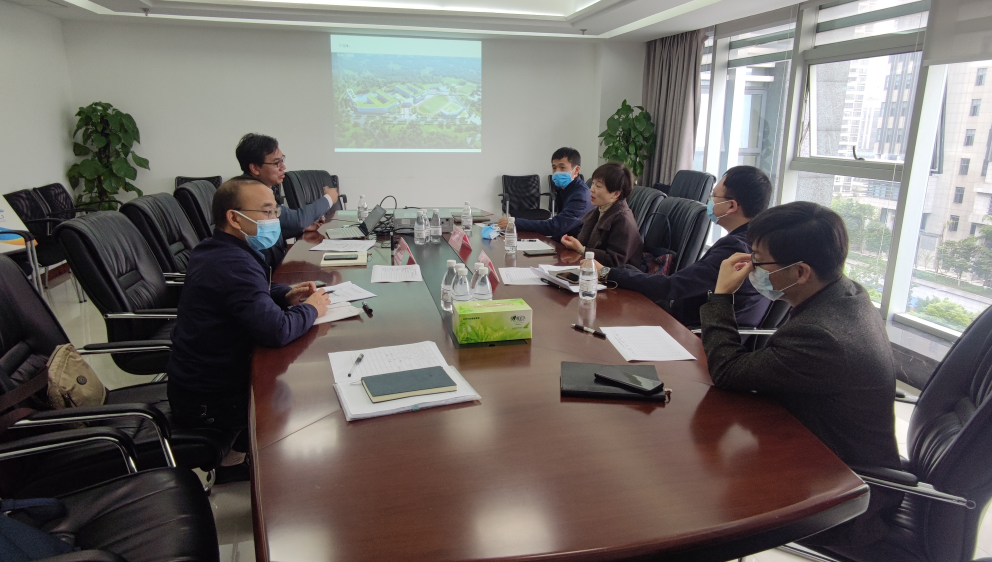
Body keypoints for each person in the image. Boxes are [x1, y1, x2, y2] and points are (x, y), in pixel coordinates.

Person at [700, 201, 903, 547]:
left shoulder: (822, 335)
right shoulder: (846, 293)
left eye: (759, 261)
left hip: (843, 487)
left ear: (800, 272)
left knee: (700, 484)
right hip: (818, 444)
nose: (751, 268)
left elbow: (728, 372)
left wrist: (721, 297)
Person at [167, 177, 331, 482]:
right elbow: (277, 330)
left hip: (200, 382)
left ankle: (237, 456)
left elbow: (250, 292)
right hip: (210, 400)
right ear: (234, 218)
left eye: (275, 211)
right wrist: (313, 308)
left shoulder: (217, 248)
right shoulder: (233, 262)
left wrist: (285, 294)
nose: (274, 220)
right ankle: (239, 463)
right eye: (267, 212)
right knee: (312, 392)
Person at [595, 165, 772, 327]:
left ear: (731, 206)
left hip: (691, 333)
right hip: (697, 323)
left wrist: (606, 273)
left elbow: (672, 287)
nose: (709, 201)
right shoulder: (755, 242)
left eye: (714, 196)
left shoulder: (735, 249)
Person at [235, 133, 339, 269]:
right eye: (276, 163)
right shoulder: (249, 195)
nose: (283, 167)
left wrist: (301, 228)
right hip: (260, 271)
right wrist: (329, 198)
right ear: (254, 168)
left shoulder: (260, 189)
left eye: (282, 160)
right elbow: (299, 220)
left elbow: (261, 233)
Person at [496, 147, 593, 239]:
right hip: (563, 239)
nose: (556, 172)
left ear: (576, 170)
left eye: (562, 167)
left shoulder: (581, 197)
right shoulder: (565, 189)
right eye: (554, 168)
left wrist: (515, 223)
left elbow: (555, 226)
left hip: (574, 246)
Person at [559, 162, 642, 267]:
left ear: (616, 194)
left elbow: (614, 262)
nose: (592, 189)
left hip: (616, 276)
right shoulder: (599, 210)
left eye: (598, 186)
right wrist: (571, 242)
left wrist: (581, 250)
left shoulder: (623, 220)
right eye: (593, 183)